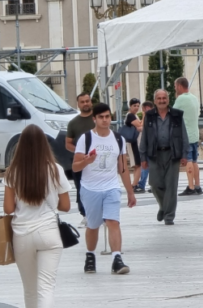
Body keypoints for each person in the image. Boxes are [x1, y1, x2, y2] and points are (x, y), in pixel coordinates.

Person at [3, 124, 71, 308]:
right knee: (46, 288)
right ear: (44, 144)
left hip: (22, 235)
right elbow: (65, 206)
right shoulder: (55, 169)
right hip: (49, 233)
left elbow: (8, 208)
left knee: (30, 289)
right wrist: (49, 198)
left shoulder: (12, 172)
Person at [73, 103, 136, 274]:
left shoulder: (118, 139)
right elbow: (75, 167)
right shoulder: (85, 139)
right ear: (94, 119)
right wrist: (86, 161)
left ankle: (117, 259)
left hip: (111, 187)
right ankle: (90, 255)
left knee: (113, 222)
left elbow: (122, 168)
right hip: (90, 188)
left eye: (107, 116)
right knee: (93, 225)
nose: (105, 120)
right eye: (101, 117)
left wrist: (130, 192)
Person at [139, 90, 189, 225]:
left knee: (171, 186)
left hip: (173, 154)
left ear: (168, 99)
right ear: (155, 101)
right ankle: (163, 206)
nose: (162, 100)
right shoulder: (149, 116)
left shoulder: (177, 115)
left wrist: (185, 154)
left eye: (164, 98)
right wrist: (143, 157)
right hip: (155, 154)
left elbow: (184, 135)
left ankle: (169, 216)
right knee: (154, 185)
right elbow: (144, 137)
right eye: (159, 98)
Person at [65, 92, 95, 228]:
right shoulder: (73, 123)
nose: (85, 104)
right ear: (78, 104)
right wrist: (80, 153)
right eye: (82, 102)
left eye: (87, 101)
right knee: (81, 189)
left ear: (91, 102)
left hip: (97, 162)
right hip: (80, 162)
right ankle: (85, 215)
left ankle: (99, 214)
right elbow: (68, 143)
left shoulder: (97, 119)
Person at [174, 77, 202, 195]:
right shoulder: (194, 98)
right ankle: (197, 186)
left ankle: (190, 187)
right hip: (195, 134)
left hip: (186, 135)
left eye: (175, 86)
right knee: (195, 161)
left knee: (188, 160)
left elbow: (173, 113)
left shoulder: (181, 99)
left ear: (180, 86)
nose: (175, 88)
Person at [124, 98, 145, 193]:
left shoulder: (134, 115)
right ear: (130, 106)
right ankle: (134, 185)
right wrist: (144, 116)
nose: (136, 108)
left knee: (137, 164)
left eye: (138, 106)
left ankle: (134, 184)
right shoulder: (131, 116)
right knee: (138, 164)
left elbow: (140, 127)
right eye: (134, 106)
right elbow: (139, 125)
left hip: (135, 142)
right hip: (133, 143)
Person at [136, 101, 155, 192]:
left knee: (149, 166)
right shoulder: (150, 116)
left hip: (151, 145)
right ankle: (145, 184)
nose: (143, 111)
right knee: (147, 166)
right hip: (148, 145)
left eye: (144, 109)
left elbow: (142, 127)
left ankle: (146, 185)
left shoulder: (151, 117)